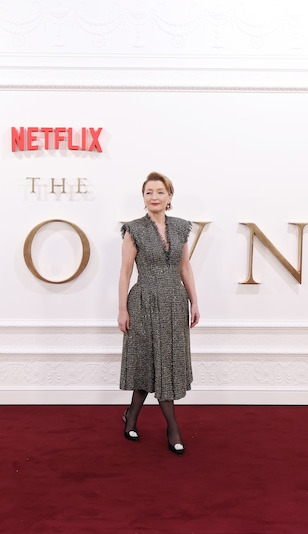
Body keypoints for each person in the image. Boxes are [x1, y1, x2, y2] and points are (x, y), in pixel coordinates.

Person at [118, 171, 200, 455]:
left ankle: (131, 415)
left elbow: (185, 267)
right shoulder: (133, 229)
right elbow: (126, 271)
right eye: (149, 192)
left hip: (175, 302)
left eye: (160, 192)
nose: (154, 197)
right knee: (146, 361)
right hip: (143, 302)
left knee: (165, 362)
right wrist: (121, 310)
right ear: (143, 197)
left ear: (170, 197)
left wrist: (195, 302)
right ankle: (173, 428)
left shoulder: (181, 228)